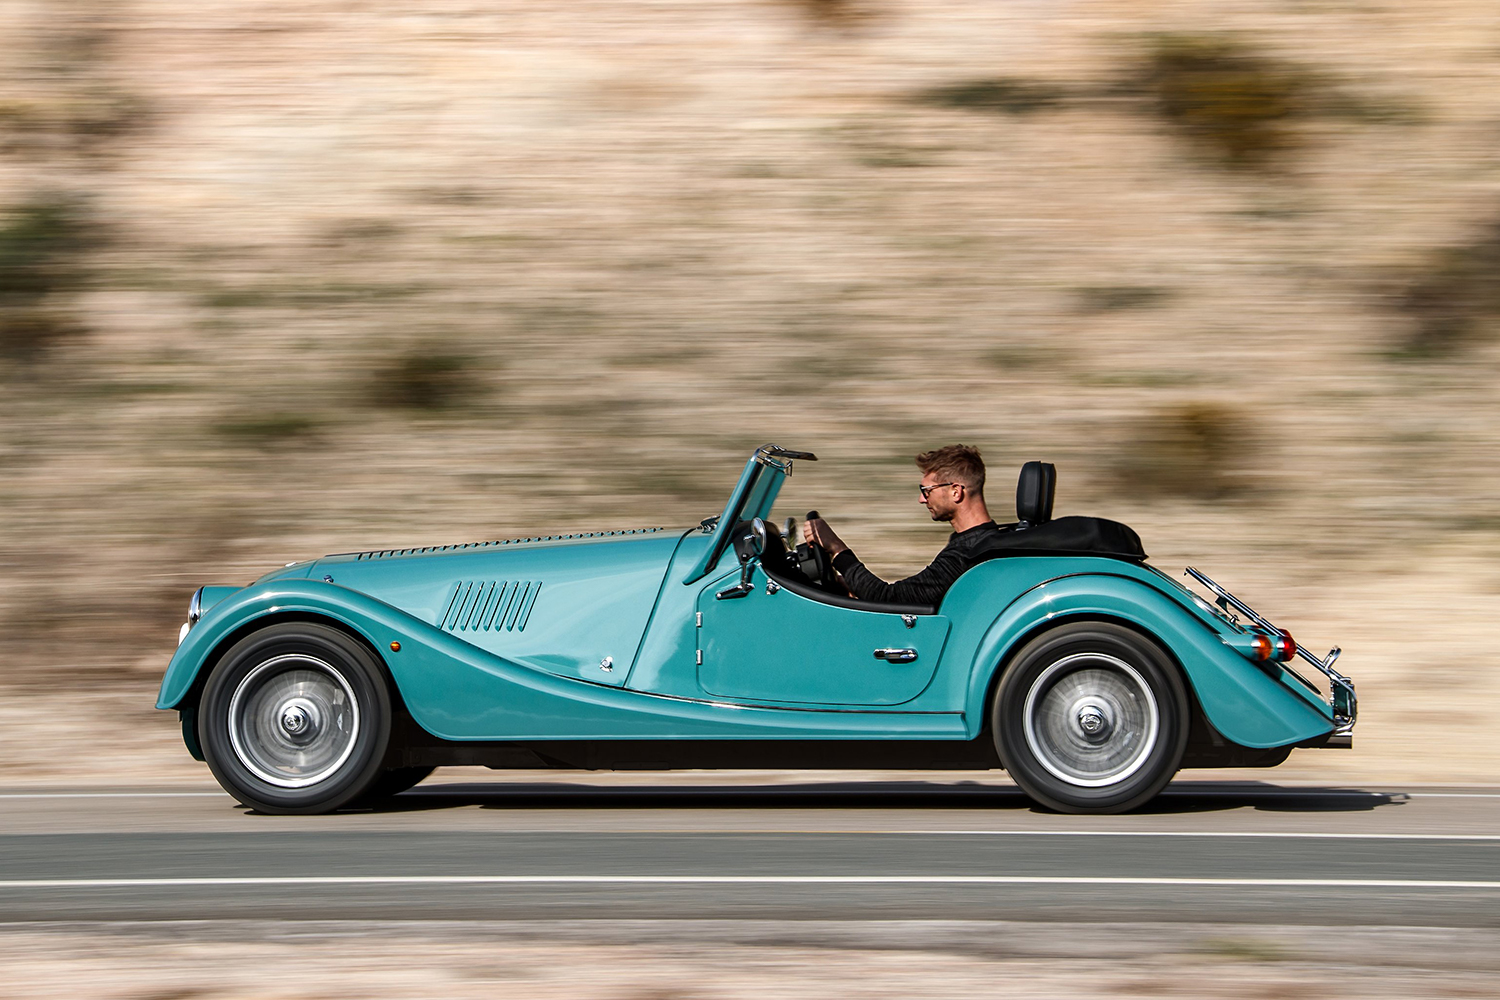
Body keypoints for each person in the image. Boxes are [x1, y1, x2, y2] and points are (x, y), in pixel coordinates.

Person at [802, 444, 1000, 606]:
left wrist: (836, 548)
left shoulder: (967, 553)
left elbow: (889, 598)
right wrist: (854, 585)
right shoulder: (978, 542)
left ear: (956, 492)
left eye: (927, 490)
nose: (922, 499)